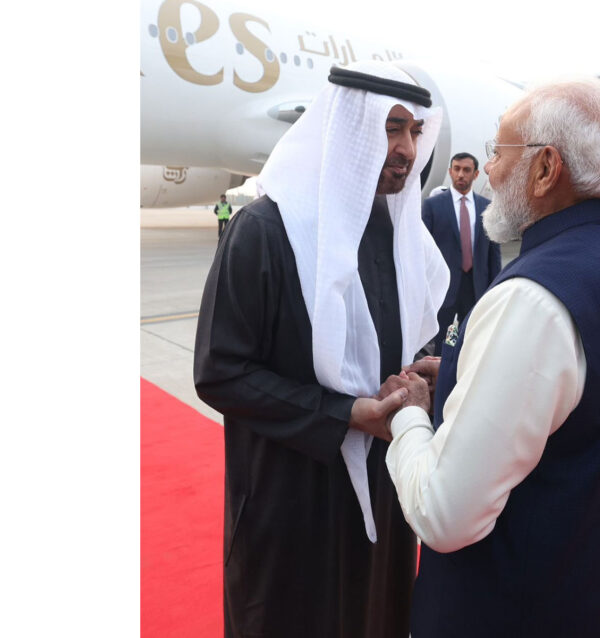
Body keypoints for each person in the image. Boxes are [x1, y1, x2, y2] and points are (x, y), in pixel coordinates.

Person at [380, 76, 600, 637]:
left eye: (499, 152)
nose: (489, 172)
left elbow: (444, 514)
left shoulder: (532, 298)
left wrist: (411, 414)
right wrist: (469, 376)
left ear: (545, 169)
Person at [193, 61, 449, 638]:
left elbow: (414, 335)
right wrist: (346, 414)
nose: (407, 149)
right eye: (391, 128)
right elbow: (220, 371)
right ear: (348, 129)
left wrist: (425, 377)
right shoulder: (266, 230)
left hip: (384, 490)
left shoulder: (403, 236)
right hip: (292, 499)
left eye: (414, 131)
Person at [421, 152, 502, 354]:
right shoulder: (432, 206)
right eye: (456, 169)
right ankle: (442, 370)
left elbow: (493, 253)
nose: (460, 174)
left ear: (476, 174)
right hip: (444, 288)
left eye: (466, 170)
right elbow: (423, 252)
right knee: (442, 343)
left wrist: (494, 288)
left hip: (475, 287)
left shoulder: (486, 208)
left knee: (472, 340)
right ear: (450, 172)